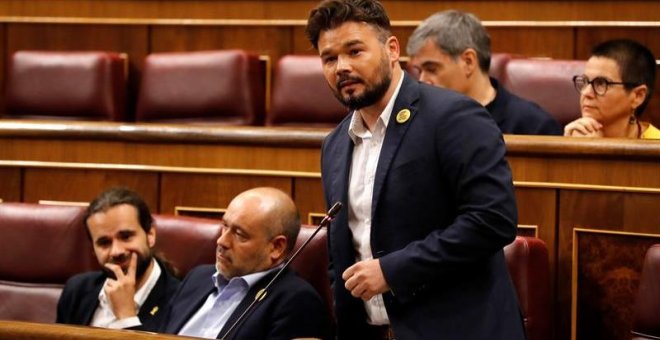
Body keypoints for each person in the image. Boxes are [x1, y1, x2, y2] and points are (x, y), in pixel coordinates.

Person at [306, 1, 525, 339]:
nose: (342, 67)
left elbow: (492, 220)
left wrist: (392, 271)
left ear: (392, 49)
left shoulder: (453, 116)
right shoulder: (334, 145)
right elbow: (343, 253)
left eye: (355, 51)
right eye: (330, 58)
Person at [159, 187, 330, 340]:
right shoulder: (198, 278)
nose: (222, 241)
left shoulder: (295, 301)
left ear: (276, 247)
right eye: (225, 226)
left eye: (240, 234)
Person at [406, 10, 562, 136]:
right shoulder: (417, 121)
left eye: (431, 69)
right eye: (419, 71)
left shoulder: (534, 126)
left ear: (468, 62)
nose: (422, 80)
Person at [56, 187, 180, 331]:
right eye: (104, 243)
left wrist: (127, 318)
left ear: (150, 235)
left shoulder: (180, 300)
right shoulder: (76, 291)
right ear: (93, 250)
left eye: (126, 236)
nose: (117, 251)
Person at [564, 39, 659, 139]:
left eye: (601, 83)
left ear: (637, 96)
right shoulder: (575, 136)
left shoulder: (655, 146)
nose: (586, 93)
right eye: (585, 81)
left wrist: (597, 152)